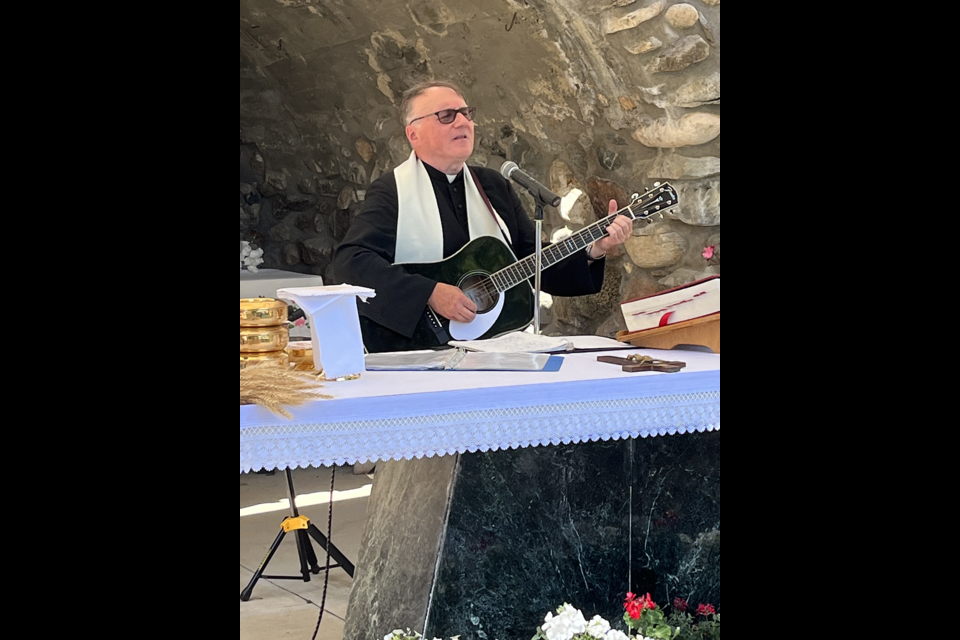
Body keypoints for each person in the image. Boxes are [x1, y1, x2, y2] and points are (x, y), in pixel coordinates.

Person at [332, 80, 633, 353]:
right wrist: (429, 293)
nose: (462, 121)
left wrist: (594, 249)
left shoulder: (493, 186)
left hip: (493, 349)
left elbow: (532, 260)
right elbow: (351, 262)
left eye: (466, 113)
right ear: (414, 134)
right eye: (446, 115)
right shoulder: (392, 190)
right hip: (419, 351)